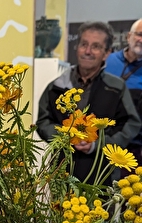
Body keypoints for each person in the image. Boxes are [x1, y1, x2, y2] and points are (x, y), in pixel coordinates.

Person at [36, 21, 141, 185]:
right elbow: (43, 121)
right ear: (76, 47)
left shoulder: (116, 88)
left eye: (96, 46)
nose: (87, 51)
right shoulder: (57, 86)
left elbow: (131, 124)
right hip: (62, 174)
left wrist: (98, 144)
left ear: (106, 53)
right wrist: (65, 137)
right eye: (84, 44)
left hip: (101, 176)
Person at [106, 18, 142, 168]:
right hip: (104, 143)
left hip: (135, 148)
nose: (141, 40)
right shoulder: (107, 61)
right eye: (139, 34)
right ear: (128, 36)